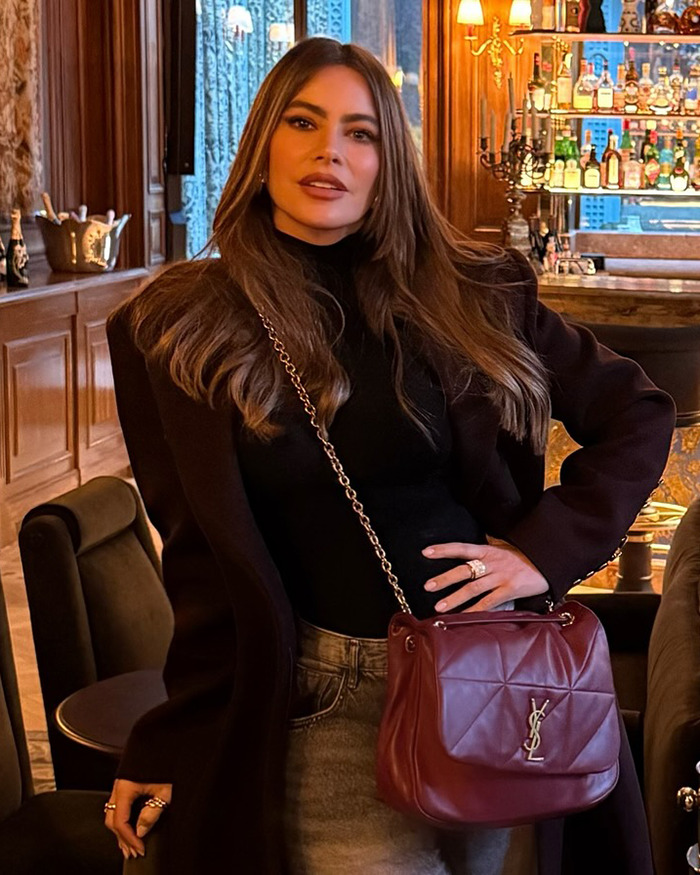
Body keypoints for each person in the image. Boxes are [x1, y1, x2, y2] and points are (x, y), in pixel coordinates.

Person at [104, 37, 675, 875]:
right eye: (304, 121)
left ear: (387, 164)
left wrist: (539, 551)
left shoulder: (472, 291)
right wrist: (168, 738)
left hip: (502, 686)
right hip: (327, 708)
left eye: (360, 132)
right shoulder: (179, 327)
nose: (329, 149)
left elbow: (638, 412)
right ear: (264, 138)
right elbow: (200, 565)